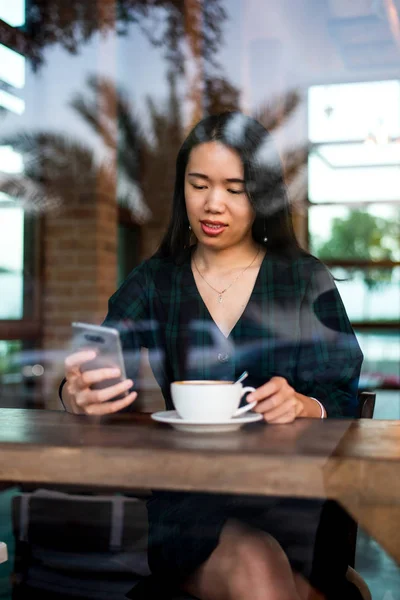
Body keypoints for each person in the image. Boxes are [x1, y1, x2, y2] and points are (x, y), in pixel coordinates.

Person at [61, 112, 364, 600]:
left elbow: (344, 393)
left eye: (234, 188)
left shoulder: (304, 279)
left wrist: (307, 405)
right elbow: (98, 357)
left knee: (278, 573)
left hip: (295, 501)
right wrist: (77, 393)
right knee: (260, 572)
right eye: (198, 184)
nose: (212, 203)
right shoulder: (157, 280)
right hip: (192, 504)